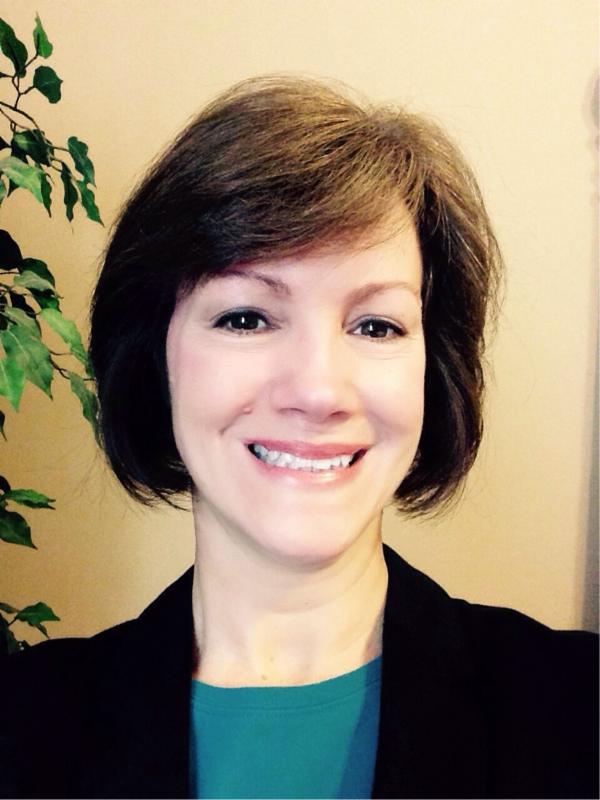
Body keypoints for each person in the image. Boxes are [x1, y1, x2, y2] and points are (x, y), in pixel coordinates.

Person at [1, 76, 597, 800]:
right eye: (246, 318)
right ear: (155, 357)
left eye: (375, 325)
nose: (318, 392)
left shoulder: (576, 708)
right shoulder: (22, 724)